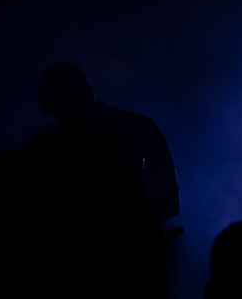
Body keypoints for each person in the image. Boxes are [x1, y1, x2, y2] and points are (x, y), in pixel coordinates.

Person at [36, 61, 180, 226]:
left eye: (63, 111)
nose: (62, 121)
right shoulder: (64, 148)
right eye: (56, 113)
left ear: (84, 94)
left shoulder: (140, 130)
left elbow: (168, 201)